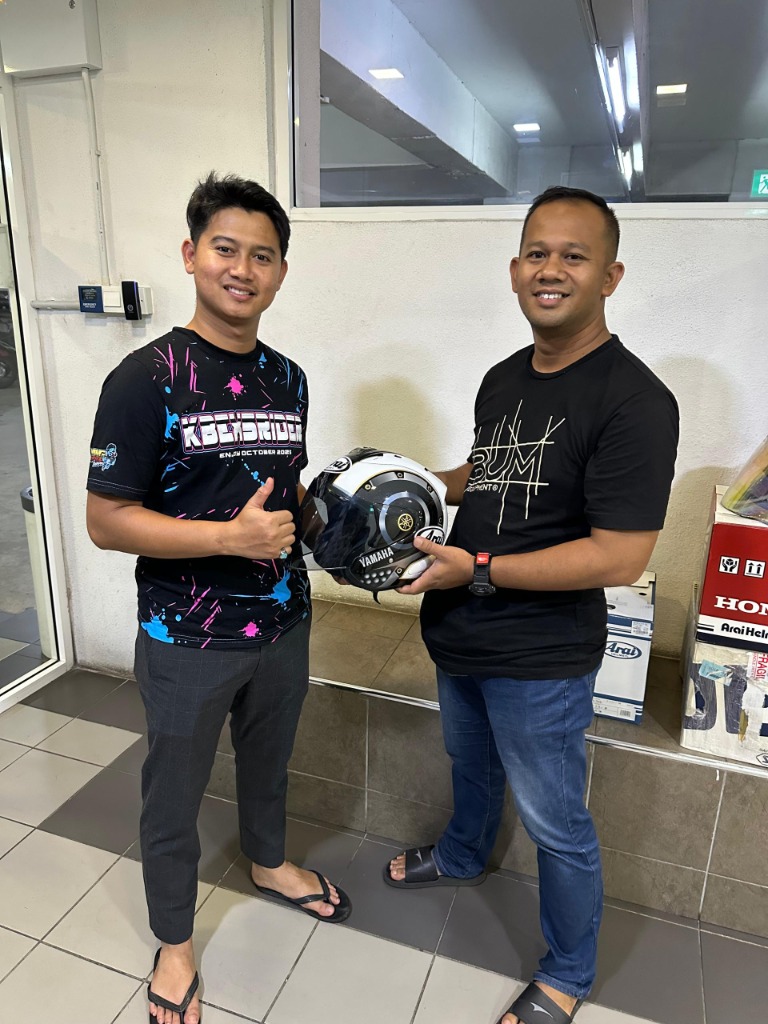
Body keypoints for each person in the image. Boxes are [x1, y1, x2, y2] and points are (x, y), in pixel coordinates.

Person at [385, 186, 678, 1024]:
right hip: (461, 630)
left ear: (610, 277)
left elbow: (619, 557)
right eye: (538, 254)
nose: (552, 270)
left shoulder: (636, 401)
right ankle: (463, 854)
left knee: (556, 823)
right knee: (468, 763)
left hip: (543, 656)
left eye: (574, 256)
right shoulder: (503, 378)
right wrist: (405, 481)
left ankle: (568, 974)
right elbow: (491, 471)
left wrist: (476, 567)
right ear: (515, 270)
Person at [86, 173, 351, 1024]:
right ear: (191, 254)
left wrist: (342, 525)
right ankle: (173, 942)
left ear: (281, 272)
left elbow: (282, 493)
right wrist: (228, 540)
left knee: (269, 764)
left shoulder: (288, 378)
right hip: (186, 636)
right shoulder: (144, 378)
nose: (243, 269)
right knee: (173, 793)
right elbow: (106, 521)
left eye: (262, 256)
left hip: (283, 621)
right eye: (226, 249)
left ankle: (268, 863)